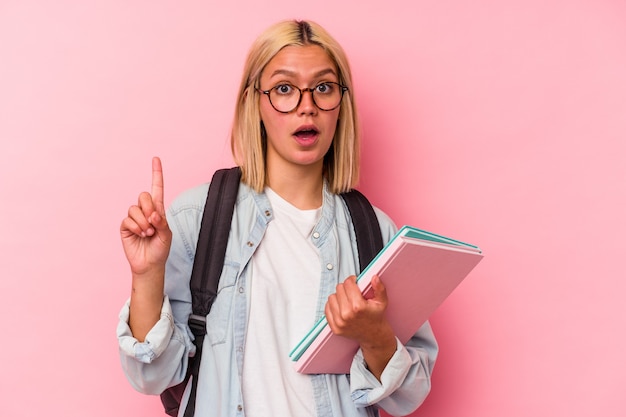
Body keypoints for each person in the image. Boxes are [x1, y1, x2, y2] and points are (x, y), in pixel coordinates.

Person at [117, 19, 438, 417]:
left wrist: (374, 338)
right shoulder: (197, 219)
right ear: (256, 102)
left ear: (341, 103)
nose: (307, 105)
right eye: (284, 89)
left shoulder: (374, 233)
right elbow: (153, 377)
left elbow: (410, 396)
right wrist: (146, 277)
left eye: (323, 87)